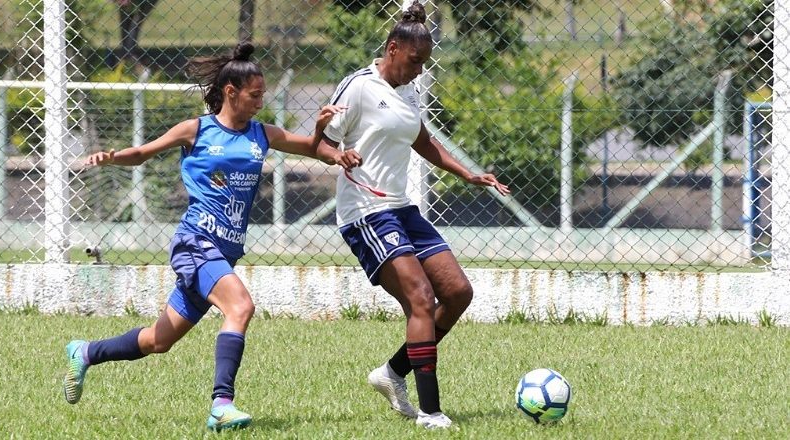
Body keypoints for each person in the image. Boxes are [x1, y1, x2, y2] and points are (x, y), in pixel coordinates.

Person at [61, 41, 352, 432]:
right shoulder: (197, 129)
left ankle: (86, 352)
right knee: (241, 307)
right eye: (254, 95)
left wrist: (333, 148)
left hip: (223, 253)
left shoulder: (262, 134)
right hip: (196, 242)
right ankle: (221, 404)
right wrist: (112, 157)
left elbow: (315, 150)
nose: (260, 102)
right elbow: (144, 153)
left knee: (157, 340)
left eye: (263, 94)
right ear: (230, 92)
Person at [317, 0, 510, 430]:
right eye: (414, 62)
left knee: (458, 293)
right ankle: (430, 411)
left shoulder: (408, 90)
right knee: (421, 299)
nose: (419, 71)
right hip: (365, 212)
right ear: (392, 49)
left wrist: (468, 173)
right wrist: (337, 155)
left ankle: (391, 373)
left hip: (402, 208)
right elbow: (317, 143)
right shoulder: (358, 87)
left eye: (424, 63)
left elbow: (421, 140)